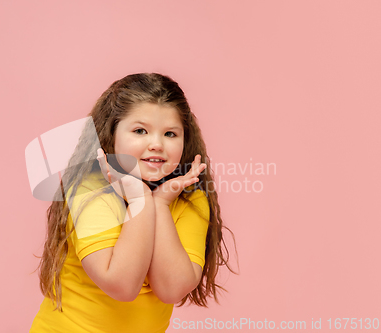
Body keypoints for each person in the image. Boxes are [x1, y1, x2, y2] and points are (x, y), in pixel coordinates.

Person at [29, 73, 237, 333]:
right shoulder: (90, 190)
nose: (157, 144)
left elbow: (172, 289)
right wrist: (140, 199)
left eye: (170, 133)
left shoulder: (188, 197)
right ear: (111, 134)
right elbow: (122, 286)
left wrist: (160, 204)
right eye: (140, 131)